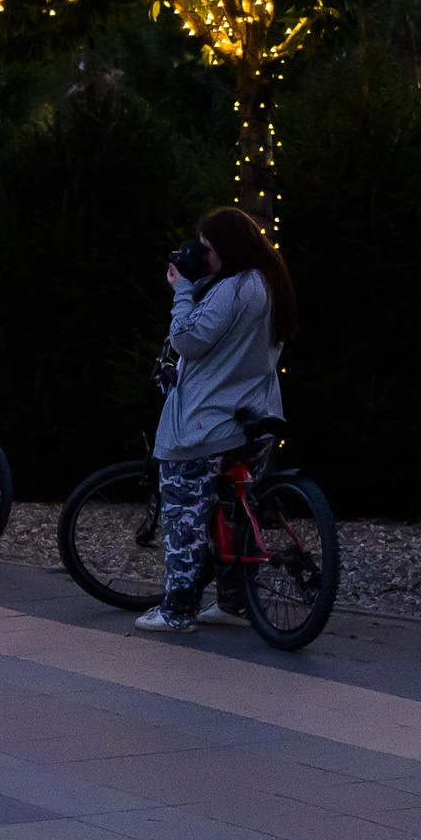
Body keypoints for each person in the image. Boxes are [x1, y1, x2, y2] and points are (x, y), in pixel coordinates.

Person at [141, 207, 295, 634]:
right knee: (235, 516)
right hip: (257, 418)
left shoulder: (233, 289)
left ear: (229, 249)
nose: (200, 255)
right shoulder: (268, 283)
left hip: (208, 423)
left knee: (186, 516)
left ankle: (176, 611)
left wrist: (183, 291)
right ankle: (233, 603)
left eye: (207, 249)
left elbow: (188, 340)